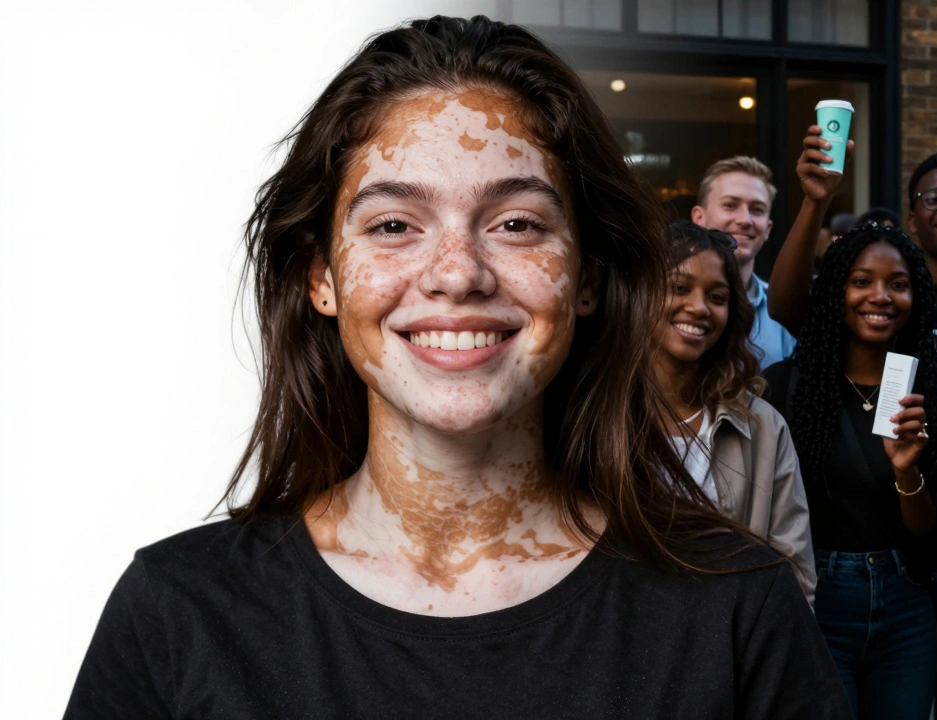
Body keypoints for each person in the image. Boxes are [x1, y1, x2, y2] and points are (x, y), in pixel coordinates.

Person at [63, 17, 852, 719]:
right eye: (395, 223)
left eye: (515, 222)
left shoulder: (736, 606)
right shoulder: (176, 613)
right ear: (322, 278)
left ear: (585, 279)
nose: (456, 273)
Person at [763, 222, 937, 720]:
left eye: (898, 284)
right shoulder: (788, 390)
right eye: (861, 280)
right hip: (816, 596)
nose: (880, 296)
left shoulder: (930, 399)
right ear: (835, 290)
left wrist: (908, 471)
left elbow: (927, 533)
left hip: (906, 603)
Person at [654, 220, 817, 604]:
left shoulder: (762, 425)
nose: (698, 307)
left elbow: (794, 569)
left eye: (717, 296)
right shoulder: (600, 413)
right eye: (679, 288)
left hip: (730, 648)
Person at [692, 156, 796, 368]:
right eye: (730, 205)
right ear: (698, 217)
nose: (745, 220)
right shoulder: (665, 303)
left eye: (757, 210)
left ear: (767, 228)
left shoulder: (784, 314)